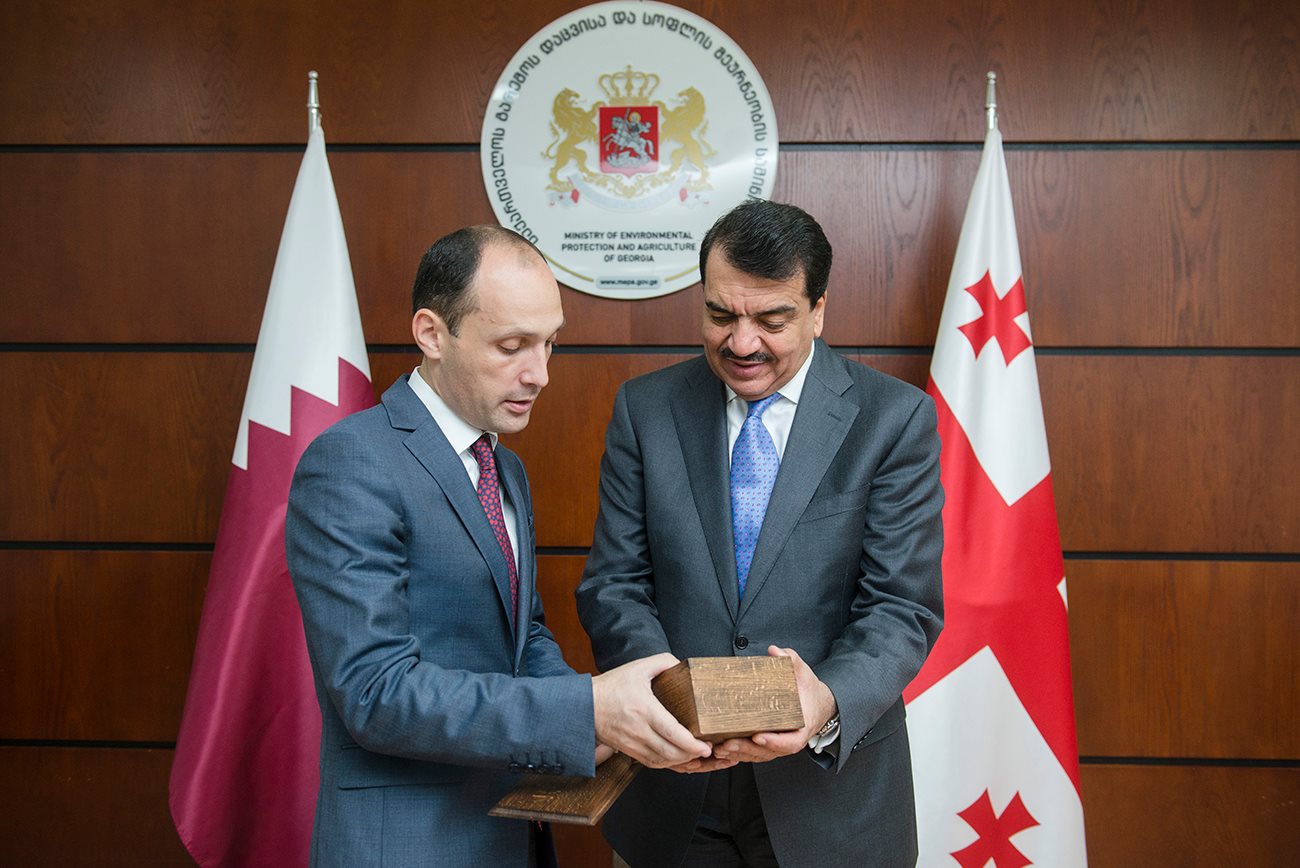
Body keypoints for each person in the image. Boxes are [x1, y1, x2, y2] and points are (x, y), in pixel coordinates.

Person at [286, 225, 711, 868]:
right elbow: (375, 692)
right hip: (407, 846)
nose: (539, 374)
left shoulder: (503, 467)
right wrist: (585, 708)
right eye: (512, 346)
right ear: (432, 334)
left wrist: (605, 721)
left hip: (513, 833)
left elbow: (522, 636)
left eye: (549, 343)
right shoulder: (350, 462)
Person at [575, 200, 944, 868]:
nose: (741, 344)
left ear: (818, 311)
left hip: (831, 797)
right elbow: (614, 584)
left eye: (771, 320)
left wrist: (823, 701)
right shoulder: (644, 409)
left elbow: (901, 606)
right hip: (671, 789)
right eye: (721, 314)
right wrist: (669, 703)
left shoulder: (894, 420)